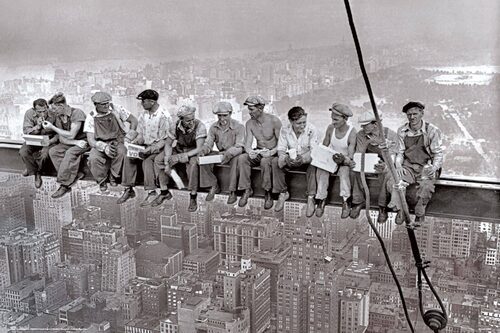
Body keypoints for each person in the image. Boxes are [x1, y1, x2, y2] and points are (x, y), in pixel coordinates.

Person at [385, 101, 444, 224]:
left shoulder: (431, 130)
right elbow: (400, 152)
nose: (412, 117)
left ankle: (419, 213)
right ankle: (401, 209)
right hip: (409, 166)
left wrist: (434, 167)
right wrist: (398, 165)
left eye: (415, 114)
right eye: (409, 114)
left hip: (426, 166)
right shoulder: (402, 131)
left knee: (426, 186)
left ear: (422, 113)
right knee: (395, 179)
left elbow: (438, 153)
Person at [117, 89, 173, 206]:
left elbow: (165, 140)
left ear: (152, 102)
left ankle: (151, 191)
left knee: (147, 161)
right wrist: (134, 143)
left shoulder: (164, 116)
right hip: (145, 146)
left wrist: (150, 149)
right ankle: (128, 188)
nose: (142, 104)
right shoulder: (144, 115)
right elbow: (141, 135)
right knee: (129, 157)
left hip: (158, 148)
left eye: (144, 101)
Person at [349, 110, 398, 223]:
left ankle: (382, 206)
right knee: (355, 170)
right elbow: (359, 152)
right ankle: (358, 201)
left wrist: (384, 165)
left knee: (386, 174)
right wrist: (358, 162)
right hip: (367, 162)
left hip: (385, 164)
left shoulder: (390, 135)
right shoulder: (361, 135)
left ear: (375, 124)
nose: (362, 127)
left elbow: (393, 157)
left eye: (365, 125)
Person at [84, 92, 138, 192]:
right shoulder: (91, 117)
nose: (106, 106)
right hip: (101, 143)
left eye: (107, 103)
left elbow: (134, 120)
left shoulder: (117, 108)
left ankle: (114, 176)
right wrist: (104, 147)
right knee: (93, 158)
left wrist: (129, 136)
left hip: (118, 141)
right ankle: (102, 180)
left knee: (122, 153)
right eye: (103, 104)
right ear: (96, 105)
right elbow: (91, 140)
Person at [272, 106, 319, 216]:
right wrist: (285, 158)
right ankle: (283, 192)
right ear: (291, 121)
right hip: (292, 159)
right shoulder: (285, 130)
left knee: (314, 165)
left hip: (307, 159)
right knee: (275, 162)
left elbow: (314, 151)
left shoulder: (312, 130)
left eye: (304, 123)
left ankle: (311, 197)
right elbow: (281, 149)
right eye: (299, 123)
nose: (302, 126)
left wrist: (303, 159)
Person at [237, 96, 282, 209]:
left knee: (265, 162)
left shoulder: (274, 121)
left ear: (260, 109)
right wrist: (250, 151)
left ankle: (268, 192)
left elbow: (282, 144)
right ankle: (246, 189)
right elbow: (248, 143)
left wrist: (271, 152)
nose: (249, 112)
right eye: (249, 109)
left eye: (251, 109)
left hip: (273, 153)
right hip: (259, 151)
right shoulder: (249, 124)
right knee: (242, 158)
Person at [161, 105, 207, 212]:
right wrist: (168, 159)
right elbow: (168, 144)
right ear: (181, 119)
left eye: (192, 119)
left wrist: (183, 156)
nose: (191, 122)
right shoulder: (175, 126)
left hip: (193, 151)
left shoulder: (200, 126)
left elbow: (199, 148)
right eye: (187, 121)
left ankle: (193, 195)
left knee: (193, 165)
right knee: (162, 161)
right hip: (180, 149)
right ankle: (165, 190)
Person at [198, 101, 245, 204]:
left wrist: (229, 153)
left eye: (225, 115)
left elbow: (240, 146)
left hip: (234, 153)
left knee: (236, 161)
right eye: (219, 116)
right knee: (203, 159)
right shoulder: (214, 127)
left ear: (230, 114)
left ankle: (232, 191)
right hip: (221, 154)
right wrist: (204, 150)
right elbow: (209, 143)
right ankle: (213, 185)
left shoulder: (239, 127)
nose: (222, 119)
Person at [43, 93, 89, 198]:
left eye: (54, 108)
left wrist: (53, 127)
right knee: (53, 151)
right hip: (74, 142)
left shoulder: (77, 113)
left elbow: (71, 134)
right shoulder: (59, 117)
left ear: (61, 106)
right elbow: (62, 137)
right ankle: (75, 174)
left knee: (70, 153)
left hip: (85, 141)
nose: (53, 111)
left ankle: (64, 185)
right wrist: (75, 143)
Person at [315, 103, 357, 218]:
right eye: (332, 119)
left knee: (344, 173)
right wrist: (322, 156)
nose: (333, 122)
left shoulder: (352, 132)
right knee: (321, 170)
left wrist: (343, 159)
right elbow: (325, 145)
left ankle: (346, 200)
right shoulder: (330, 128)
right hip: (331, 159)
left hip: (343, 161)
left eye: (336, 120)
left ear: (345, 119)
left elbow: (351, 154)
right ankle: (321, 199)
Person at [19, 98, 58, 188]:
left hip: (49, 140)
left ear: (47, 108)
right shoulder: (29, 113)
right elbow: (26, 131)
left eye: (44, 111)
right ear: (34, 110)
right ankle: (34, 170)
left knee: (44, 155)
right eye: (39, 112)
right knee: (23, 152)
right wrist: (38, 127)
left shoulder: (54, 114)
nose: (42, 114)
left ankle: (35, 172)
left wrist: (50, 141)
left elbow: (58, 133)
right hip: (34, 139)